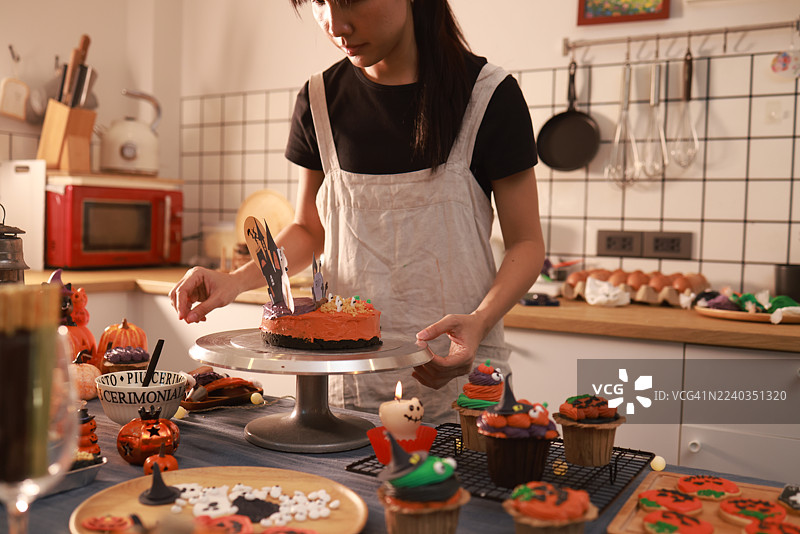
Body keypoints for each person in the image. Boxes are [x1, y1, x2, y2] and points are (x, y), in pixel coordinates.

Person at [169, 0, 544, 424]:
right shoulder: (319, 100)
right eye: (318, 2)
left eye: (350, 0)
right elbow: (309, 230)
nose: (335, 24)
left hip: (463, 380)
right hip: (350, 382)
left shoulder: (488, 96)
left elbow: (527, 243)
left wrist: (480, 319)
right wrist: (235, 281)